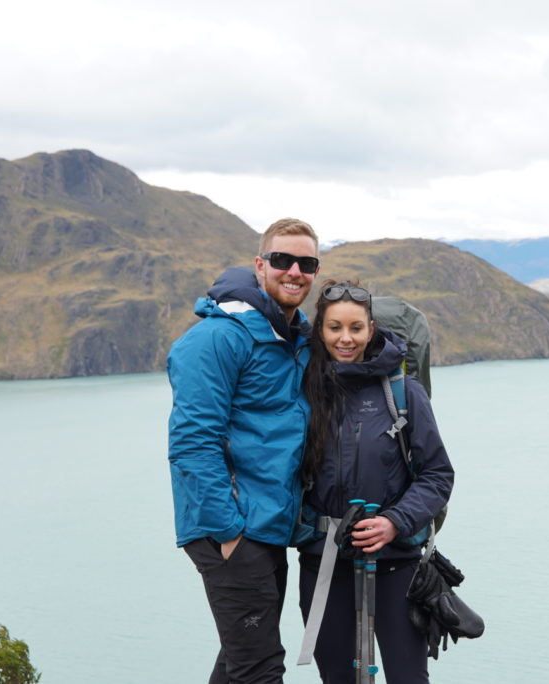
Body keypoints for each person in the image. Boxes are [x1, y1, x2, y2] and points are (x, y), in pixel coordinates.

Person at [166, 218, 320, 684]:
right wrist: (228, 529)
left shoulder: (293, 338)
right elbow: (192, 441)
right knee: (260, 669)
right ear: (260, 265)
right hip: (234, 529)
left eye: (307, 262)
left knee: (239, 664)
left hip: (267, 524)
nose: (294, 270)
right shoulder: (218, 338)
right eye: (281, 260)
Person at [296, 280, 454, 684]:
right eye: (334, 328)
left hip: (396, 562)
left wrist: (394, 521)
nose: (345, 339)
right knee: (337, 678)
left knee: (408, 679)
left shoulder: (403, 393)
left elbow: (437, 475)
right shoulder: (302, 392)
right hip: (324, 560)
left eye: (355, 328)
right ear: (320, 331)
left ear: (371, 329)